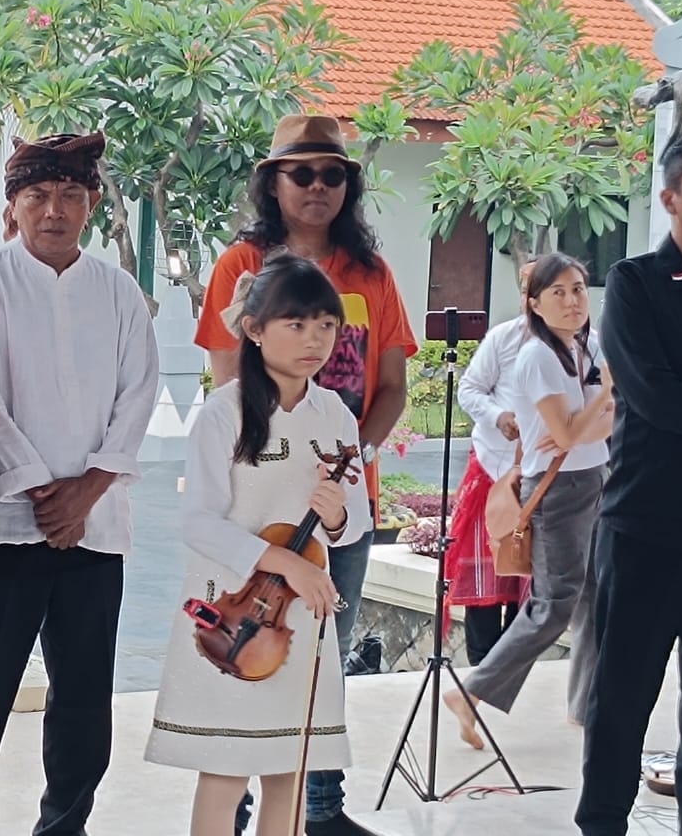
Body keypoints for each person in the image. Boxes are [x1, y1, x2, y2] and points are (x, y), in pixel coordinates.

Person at [195, 114, 415, 836]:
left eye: (333, 174)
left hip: (340, 504)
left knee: (324, 658)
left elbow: (390, 385)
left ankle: (319, 809)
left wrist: (357, 458)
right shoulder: (241, 266)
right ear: (272, 182)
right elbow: (228, 382)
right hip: (258, 510)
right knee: (247, 655)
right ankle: (237, 803)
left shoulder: (372, 273)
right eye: (302, 172)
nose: (318, 186)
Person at [0, 132, 160, 836]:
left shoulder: (120, 291)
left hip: (95, 529)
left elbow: (139, 394)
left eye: (71, 194)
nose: (54, 209)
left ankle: (64, 827)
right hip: (9, 526)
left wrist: (89, 489)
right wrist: (45, 490)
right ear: (13, 206)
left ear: (93, 203)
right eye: (37, 195)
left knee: (83, 703)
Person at [146, 253, 371, 836]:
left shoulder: (339, 419)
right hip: (234, 611)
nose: (314, 339)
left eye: (326, 325)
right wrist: (284, 562)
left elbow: (359, 525)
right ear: (254, 329)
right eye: (295, 324)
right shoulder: (223, 413)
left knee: (290, 773)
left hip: (296, 623)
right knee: (225, 773)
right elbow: (197, 521)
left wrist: (339, 517)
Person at [444, 252, 613, 749]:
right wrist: (601, 402)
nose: (571, 300)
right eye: (557, 292)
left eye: (578, 289)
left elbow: (601, 424)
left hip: (591, 479)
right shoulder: (536, 355)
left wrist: (592, 415)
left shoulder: (587, 345)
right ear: (534, 303)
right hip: (559, 490)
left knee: (595, 597)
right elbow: (570, 428)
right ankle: (472, 690)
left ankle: (585, 707)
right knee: (553, 604)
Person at [575, 143, 682, 836]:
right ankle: (602, 825)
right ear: (671, 196)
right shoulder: (635, 282)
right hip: (647, 525)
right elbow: (656, 398)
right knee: (622, 697)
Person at [447, 262, 535, 663]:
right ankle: (479, 674)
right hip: (493, 468)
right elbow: (469, 389)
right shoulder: (503, 338)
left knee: (529, 578)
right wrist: (500, 417)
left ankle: (510, 670)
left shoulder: (585, 344)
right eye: (525, 289)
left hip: (546, 477)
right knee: (486, 578)